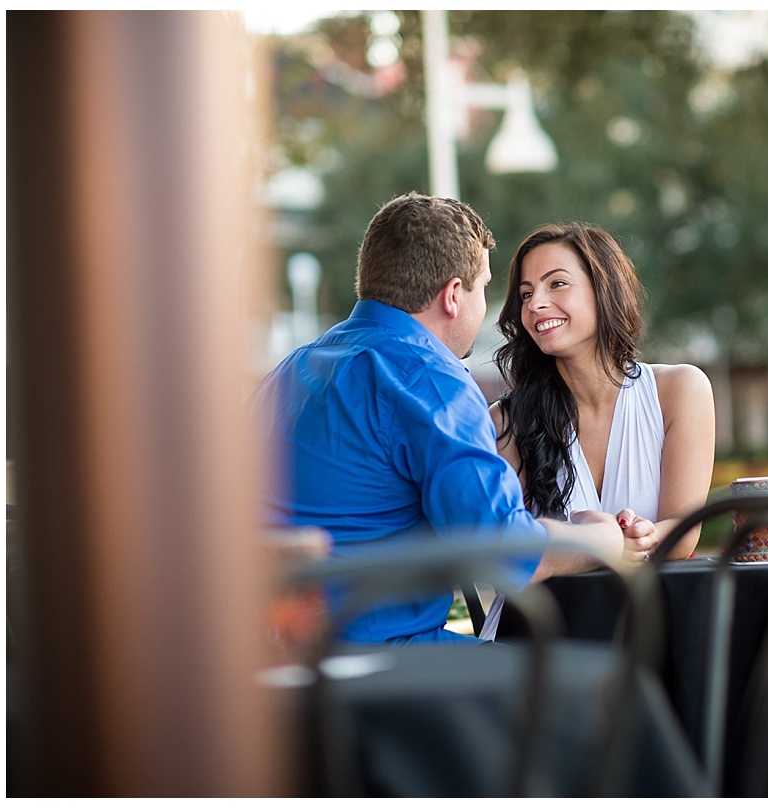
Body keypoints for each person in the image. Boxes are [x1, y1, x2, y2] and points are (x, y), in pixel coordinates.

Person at [252, 193, 639, 646]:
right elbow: (507, 555)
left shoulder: (289, 372)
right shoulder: (432, 383)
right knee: (606, 689)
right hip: (378, 668)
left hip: (266, 669)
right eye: (485, 288)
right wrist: (599, 540)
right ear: (454, 296)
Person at [490, 223, 716, 560]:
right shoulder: (507, 421)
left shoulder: (680, 391)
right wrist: (607, 546)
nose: (535, 304)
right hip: (551, 612)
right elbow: (510, 549)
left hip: (650, 608)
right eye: (526, 293)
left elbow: (683, 530)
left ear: (603, 290)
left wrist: (643, 537)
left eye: (557, 284)